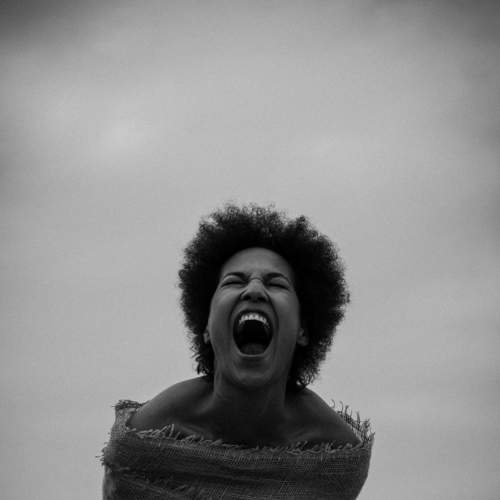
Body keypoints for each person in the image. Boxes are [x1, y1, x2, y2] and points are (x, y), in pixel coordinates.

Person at [101, 204, 373, 499]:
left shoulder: (334, 455)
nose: (254, 290)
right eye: (234, 281)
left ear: (303, 330)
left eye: (276, 283)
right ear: (207, 327)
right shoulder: (147, 434)